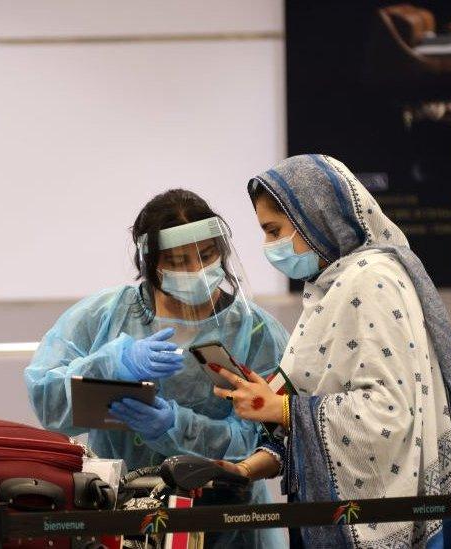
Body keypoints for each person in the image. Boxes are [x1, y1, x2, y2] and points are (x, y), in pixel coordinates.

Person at [213, 155, 451, 548]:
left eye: (274, 230)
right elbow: (308, 405)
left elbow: (388, 413)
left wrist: (281, 409)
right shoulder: (329, 286)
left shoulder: (370, 280)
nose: (269, 246)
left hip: (373, 524)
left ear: (315, 217)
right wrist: (243, 469)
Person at [25, 189, 289, 548]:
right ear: (151, 264)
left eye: (206, 255)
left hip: (226, 524)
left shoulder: (255, 332)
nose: (195, 270)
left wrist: (175, 426)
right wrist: (115, 364)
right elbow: (48, 401)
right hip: (123, 514)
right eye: (178, 262)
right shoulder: (107, 315)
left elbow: (265, 443)